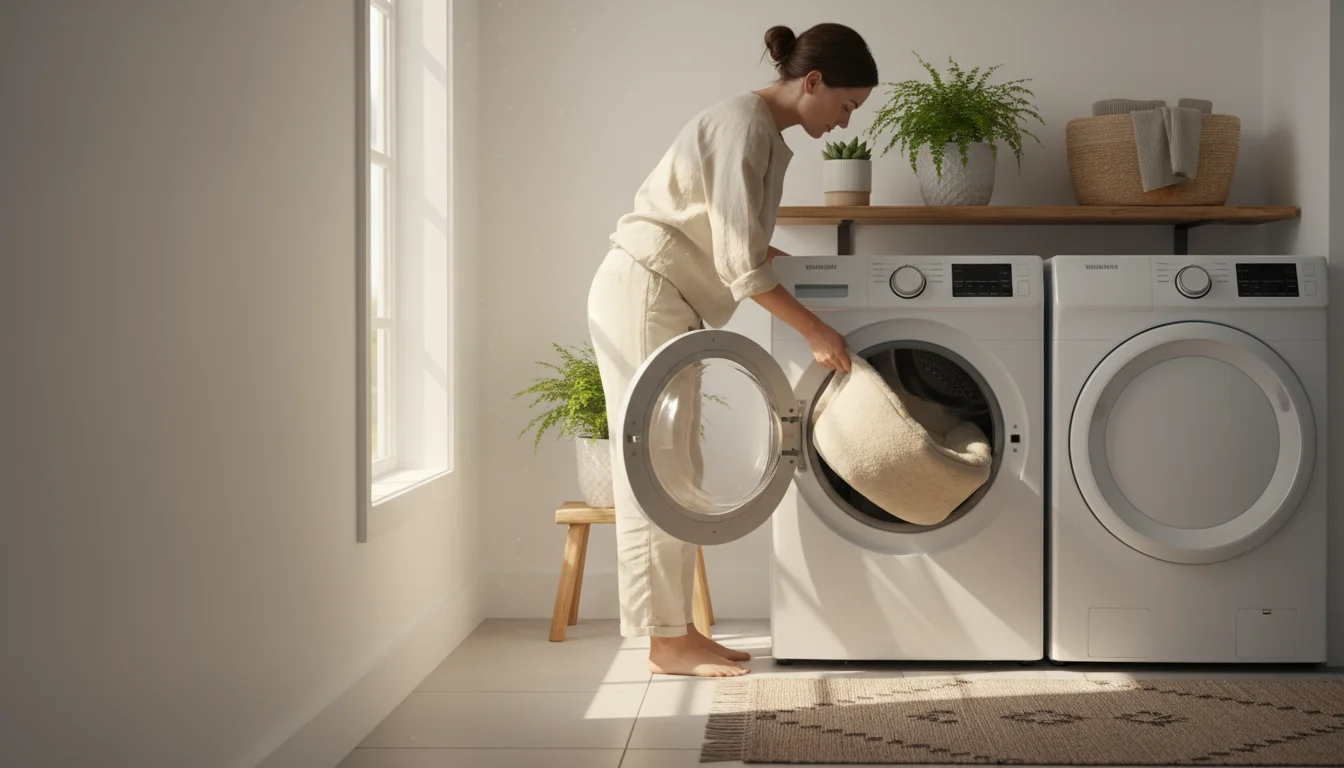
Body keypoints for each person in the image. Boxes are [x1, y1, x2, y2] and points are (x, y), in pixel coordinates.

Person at [587, 23, 878, 677]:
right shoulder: (744, 125)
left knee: (677, 466)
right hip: (646, 292)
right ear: (812, 82)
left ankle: (678, 631)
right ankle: (664, 642)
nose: (844, 120)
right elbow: (742, 267)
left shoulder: (763, 134)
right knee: (654, 466)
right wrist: (814, 329)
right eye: (846, 105)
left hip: (668, 299)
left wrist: (816, 288)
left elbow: (736, 242)